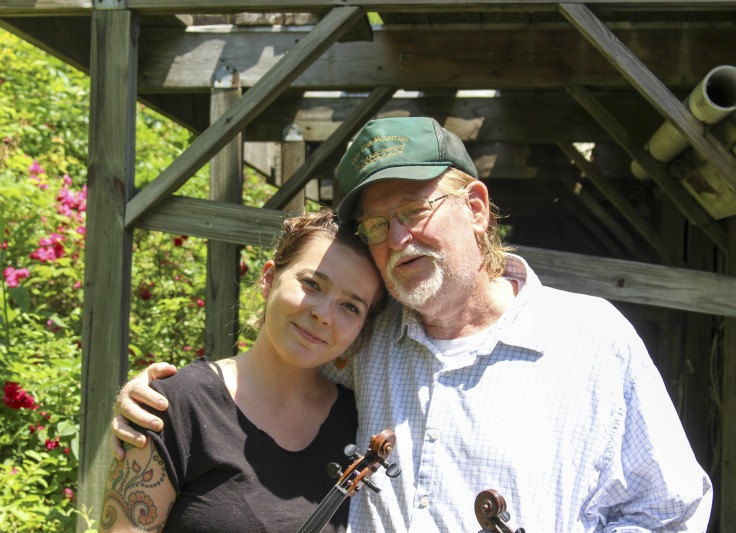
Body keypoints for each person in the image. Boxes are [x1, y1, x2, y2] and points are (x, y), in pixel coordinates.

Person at [112, 116, 713, 532]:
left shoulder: (591, 339)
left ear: (476, 208)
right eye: (377, 226)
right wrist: (163, 399)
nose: (398, 239)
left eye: (414, 210)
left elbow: (672, 509)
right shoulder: (366, 339)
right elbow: (272, 372)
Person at [99, 211, 386, 532]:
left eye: (350, 306)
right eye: (312, 284)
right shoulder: (174, 404)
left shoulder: (360, 422)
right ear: (268, 280)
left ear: (362, 328)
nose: (324, 315)